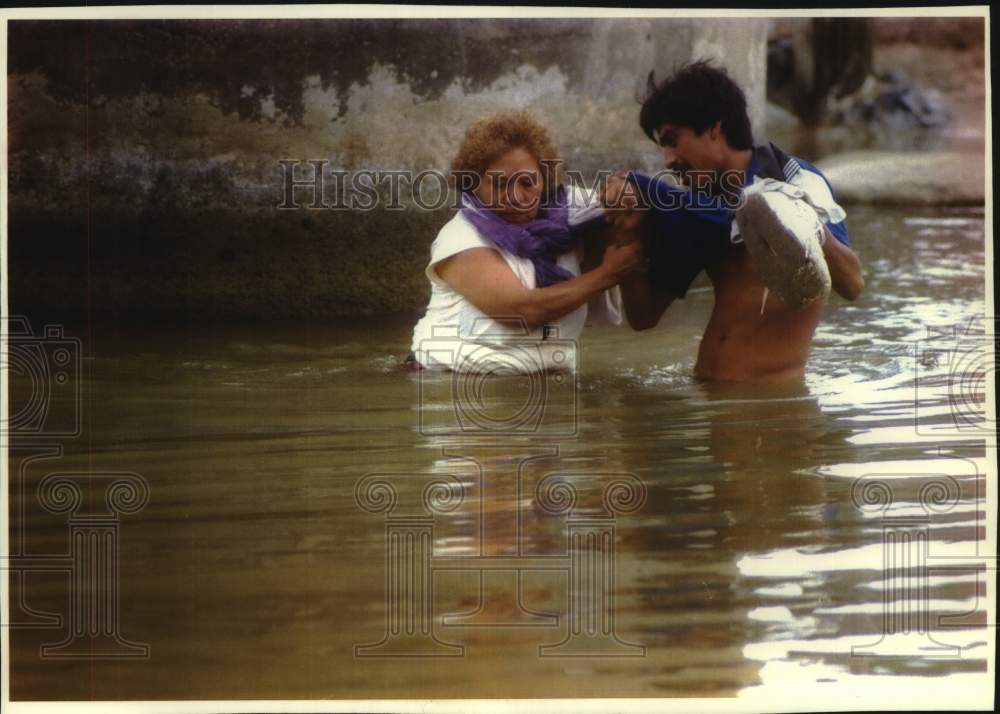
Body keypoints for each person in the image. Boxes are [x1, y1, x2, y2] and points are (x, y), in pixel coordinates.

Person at [603, 60, 864, 382]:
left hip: (767, 407)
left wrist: (806, 224)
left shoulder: (794, 180)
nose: (668, 160)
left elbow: (852, 283)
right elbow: (644, 316)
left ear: (714, 128)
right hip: (706, 391)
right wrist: (629, 236)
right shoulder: (699, 208)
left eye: (673, 140)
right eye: (663, 147)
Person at [408, 110, 643, 372]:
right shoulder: (460, 238)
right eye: (499, 185)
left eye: (527, 183)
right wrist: (607, 275)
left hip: (548, 386)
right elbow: (522, 311)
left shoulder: (564, 211)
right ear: (473, 184)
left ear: (545, 181)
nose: (517, 197)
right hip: (449, 385)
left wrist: (627, 188)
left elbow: (630, 201)